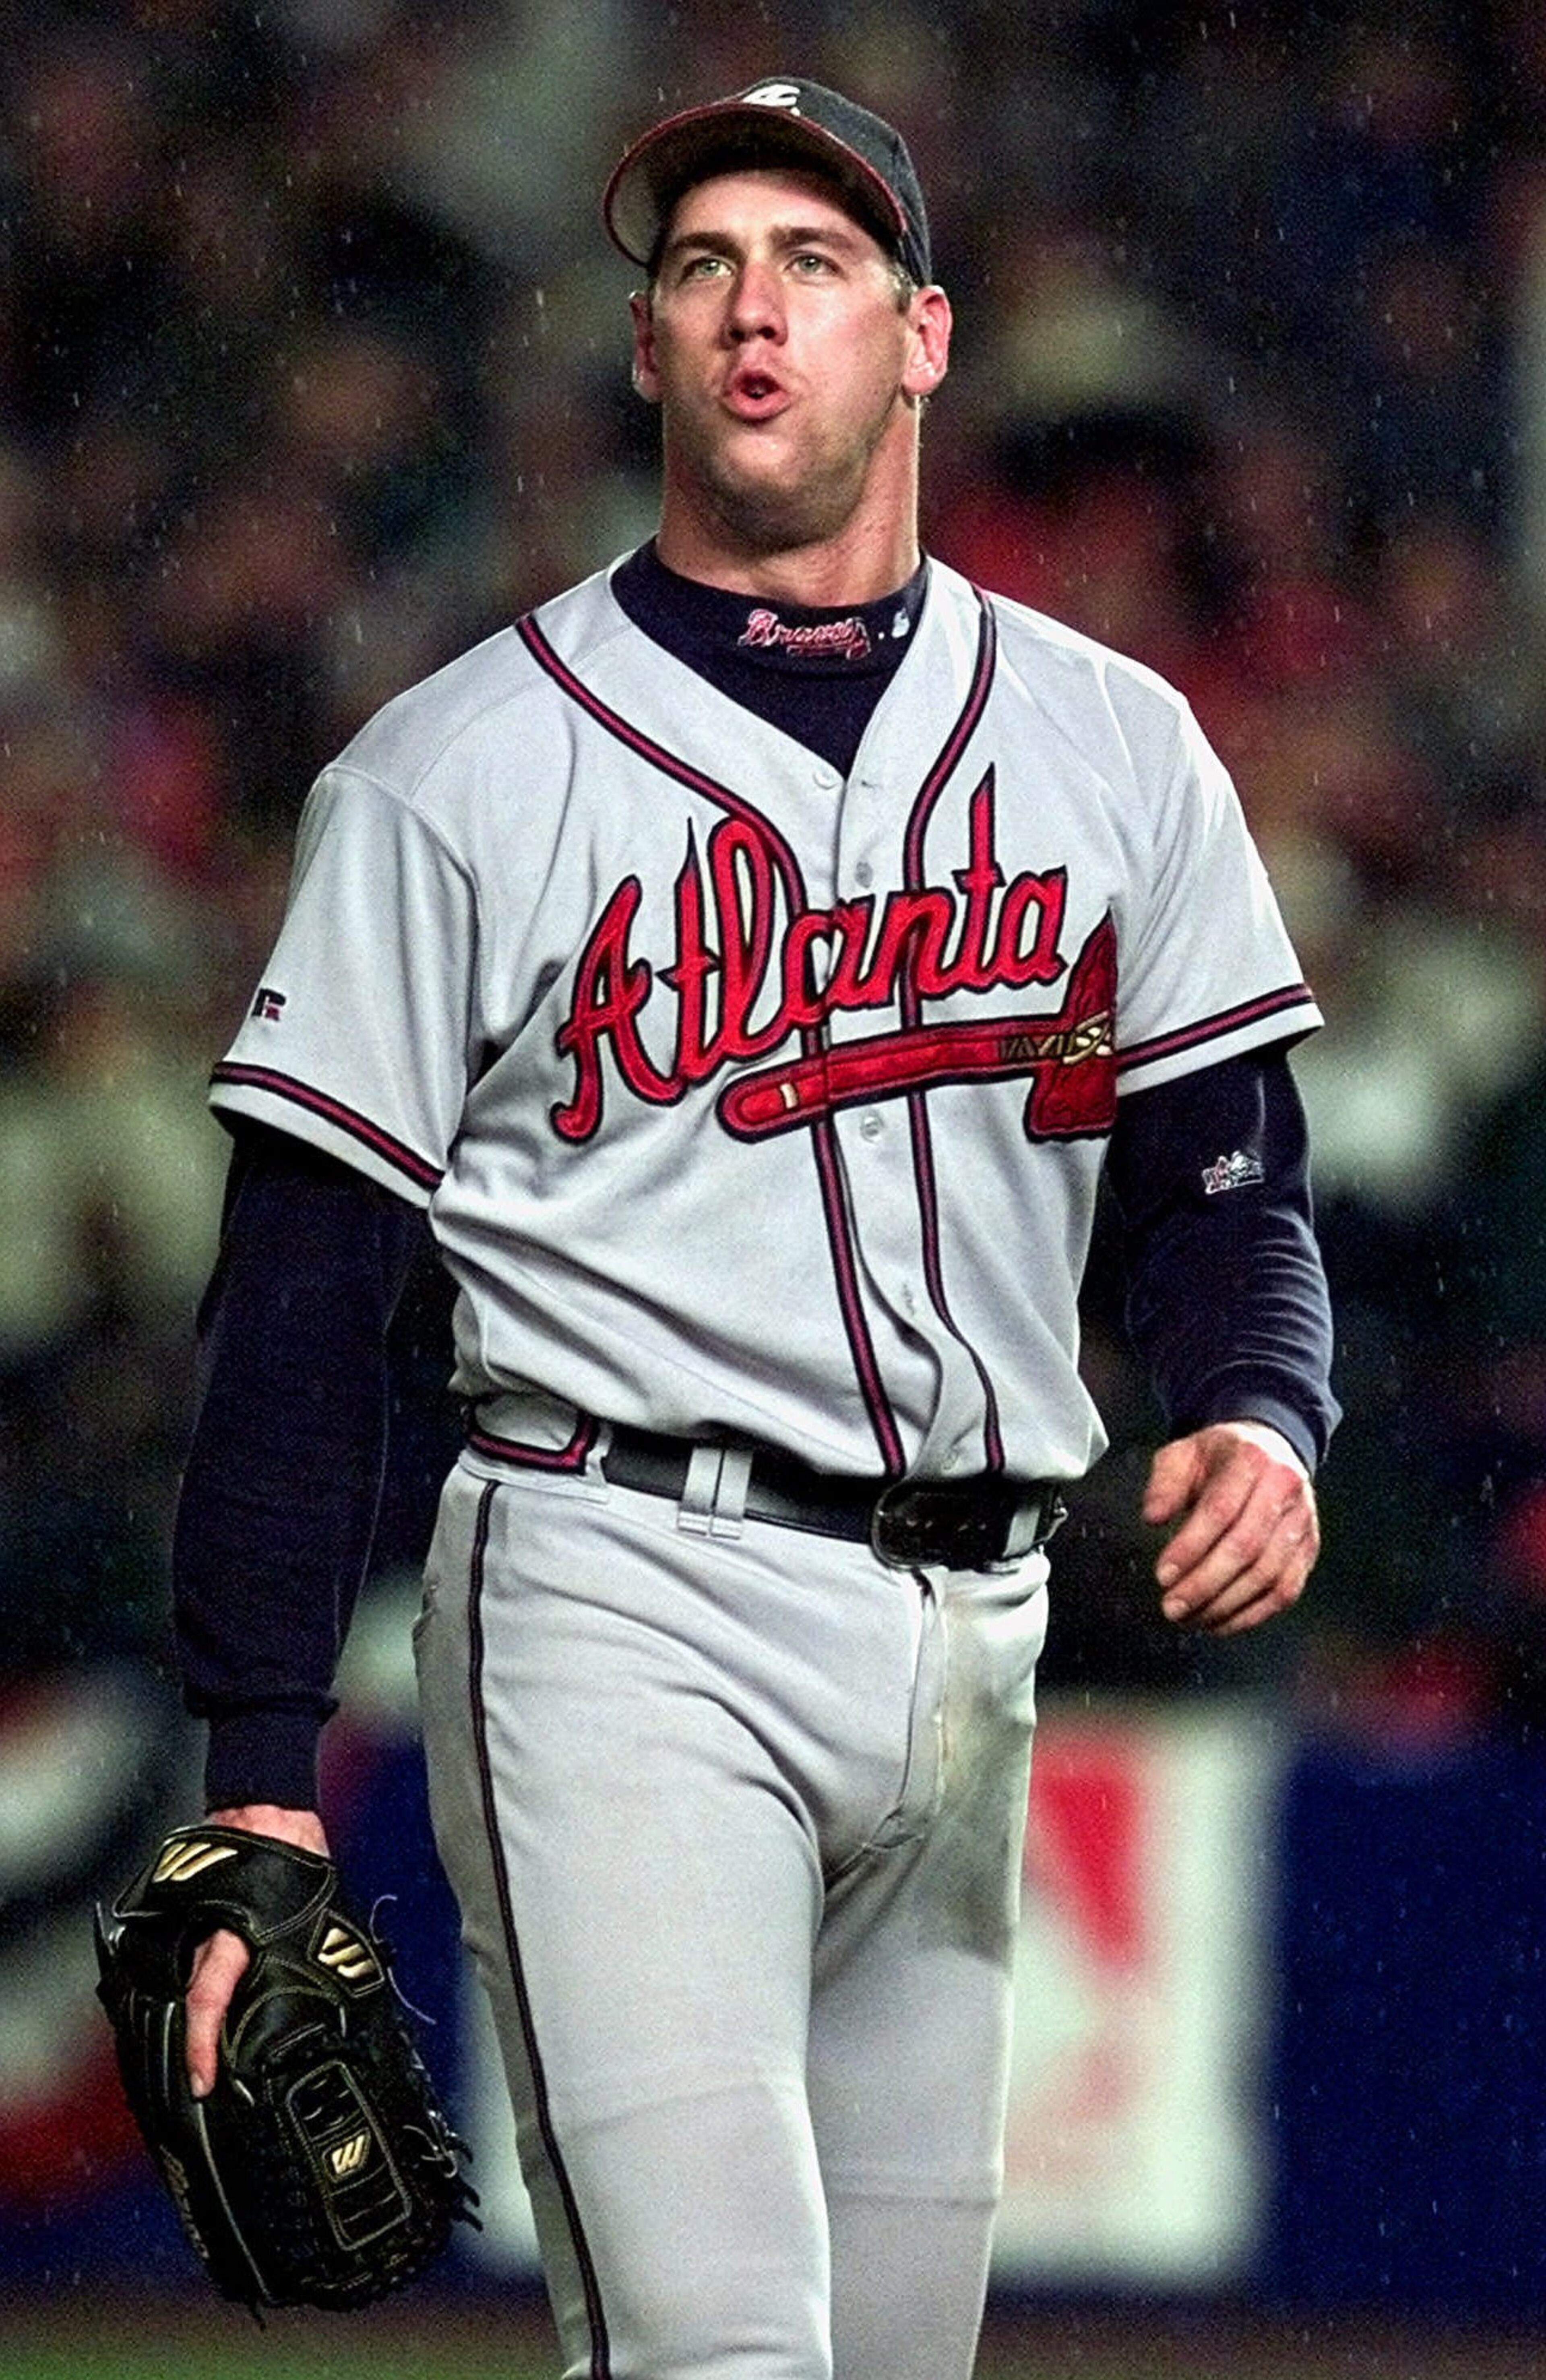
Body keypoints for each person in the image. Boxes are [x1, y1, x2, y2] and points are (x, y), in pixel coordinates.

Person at [169, 78, 1337, 2380]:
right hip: (623, 1593)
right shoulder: (460, 768)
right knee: (726, 2355)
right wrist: (256, 1777)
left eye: (808, 263)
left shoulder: (1114, 744)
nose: (749, 311)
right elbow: (301, 1303)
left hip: (980, 1630)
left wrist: (1268, 1408)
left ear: (921, 338)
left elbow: (1227, 1166)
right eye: (699, 267)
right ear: (646, 354)